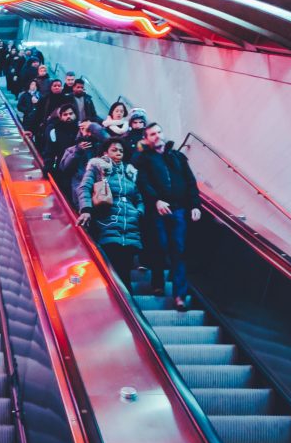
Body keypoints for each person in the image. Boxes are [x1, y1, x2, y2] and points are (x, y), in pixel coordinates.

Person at [135, 122, 202, 311]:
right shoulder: (143, 159)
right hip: (158, 210)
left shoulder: (177, 156)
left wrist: (195, 205)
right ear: (146, 139)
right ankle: (157, 283)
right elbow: (143, 182)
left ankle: (180, 296)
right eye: (152, 134)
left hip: (179, 209)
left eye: (158, 132)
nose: (156, 136)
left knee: (178, 250)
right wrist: (156, 200)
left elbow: (190, 182)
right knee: (160, 245)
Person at [76, 140, 144, 290]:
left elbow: (138, 197)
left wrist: (139, 211)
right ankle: (120, 303)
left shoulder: (129, 173)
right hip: (107, 223)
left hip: (130, 226)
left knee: (125, 270)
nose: (118, 153)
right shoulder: (98, 168)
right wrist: (86, 210)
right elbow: (84, 188)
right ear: (105, 152)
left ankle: (127, 307)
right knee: (111, 268)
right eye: (114, 150)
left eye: (121, 151)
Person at [59, 120, 109, 208]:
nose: (87, 133)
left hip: (102, 193)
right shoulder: (72, 150)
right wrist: (78, 151)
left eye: (91, 129)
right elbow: (64, 168)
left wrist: (93, 126)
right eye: (82, 129)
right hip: (80, 194)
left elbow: (110, 141)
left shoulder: (103, 148)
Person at [41, 103, 79, 189]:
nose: (68, 116)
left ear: (75, 115)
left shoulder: (81, 130)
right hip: (62, 170)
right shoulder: (55, 131)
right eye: (65, 115)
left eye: (71, 114)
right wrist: (48, 167)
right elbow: (49, 151)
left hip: (79, 171)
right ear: (61, 117)